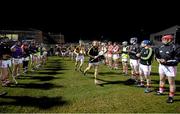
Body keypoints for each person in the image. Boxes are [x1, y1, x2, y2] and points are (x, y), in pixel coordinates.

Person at [155, 34, 180, 103]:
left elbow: (177, 59)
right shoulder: (161, 46)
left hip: (170, 67)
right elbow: (157, 56)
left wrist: (166, 61)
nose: (162, 40)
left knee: (171, 82)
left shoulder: (176, 47)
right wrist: (157, 59)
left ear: (169, 40)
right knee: (161, 79)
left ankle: (171, 97)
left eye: (164, 39)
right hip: (162, 66)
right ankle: (161, 91)